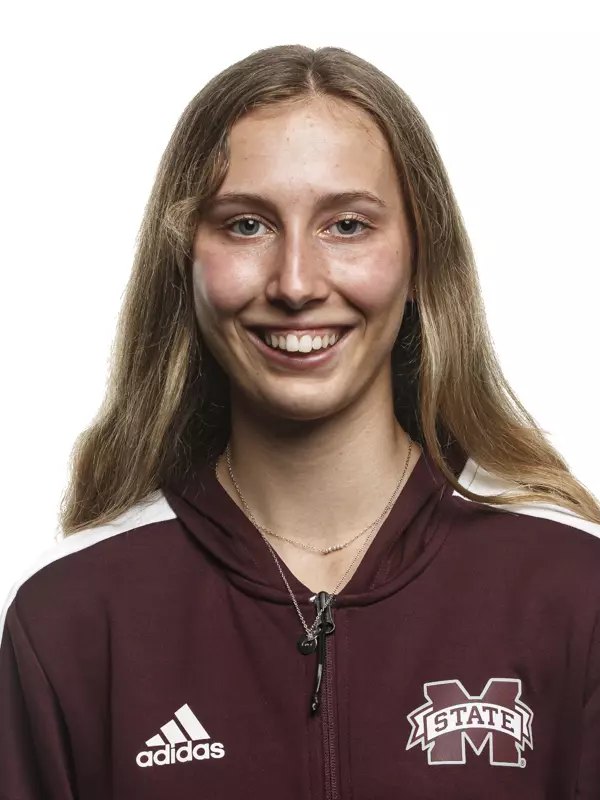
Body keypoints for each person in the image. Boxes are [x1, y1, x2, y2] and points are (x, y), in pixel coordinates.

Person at [1, 43, 599, 800]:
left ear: (420, 259)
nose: (294, 283)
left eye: (346, 225)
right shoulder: (74, 618)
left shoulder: (572, 591)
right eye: (246, 225)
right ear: (185, 261)